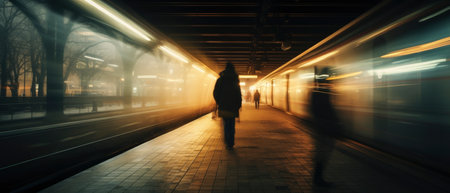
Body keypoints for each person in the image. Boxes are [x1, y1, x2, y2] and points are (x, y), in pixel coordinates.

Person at [310, 67, 341, 187]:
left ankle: (318, 178)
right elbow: (327, 109)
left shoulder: (318, 91)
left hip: (322, 127)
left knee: (322, 153)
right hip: (324, 128)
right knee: (322, 153)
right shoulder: (321, 92)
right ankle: (318, 179)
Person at [213, 62, 242, 150]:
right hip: (233, 107)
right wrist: (239, 104)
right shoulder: (235, 80)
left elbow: (215, 93)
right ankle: (231, 143)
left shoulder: (220, 79)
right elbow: (238, 93)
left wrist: (219, 102)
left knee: (226, 124)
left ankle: (227, 142)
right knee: (231, 125)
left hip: (223, 106)